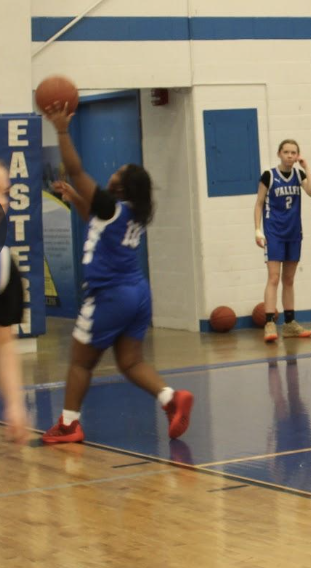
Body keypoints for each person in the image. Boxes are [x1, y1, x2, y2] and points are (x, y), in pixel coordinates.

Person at [40, 103, 194, 444]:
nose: (114, 170)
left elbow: (77, 169)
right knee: (129, 361)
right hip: (137, 294)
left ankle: (68, 425)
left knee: (80, 361)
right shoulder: (131, 211)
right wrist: (73, 196)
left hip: (110, 295)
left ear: (121, 186)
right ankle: (171, 398)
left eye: (120, 171)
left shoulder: (111, 206)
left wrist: (62, 130)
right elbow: (95, 220)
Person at [254, 139, 311, 342]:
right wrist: (257, 230)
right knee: (273, 278)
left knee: (289, 280)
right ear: (279, 153)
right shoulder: (269, 176)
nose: (290, 155)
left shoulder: (299, 174)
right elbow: (259, 203)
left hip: (294, 232)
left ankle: (289, 324)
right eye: (286, 152)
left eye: (293, 152)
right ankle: (270, 323)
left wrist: (306, 167)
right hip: (274, 233)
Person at [0, 162, 28, 444]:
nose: (2, 203)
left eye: (5, 193)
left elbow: (4, 340)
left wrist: (16, 404)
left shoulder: (4, 265)